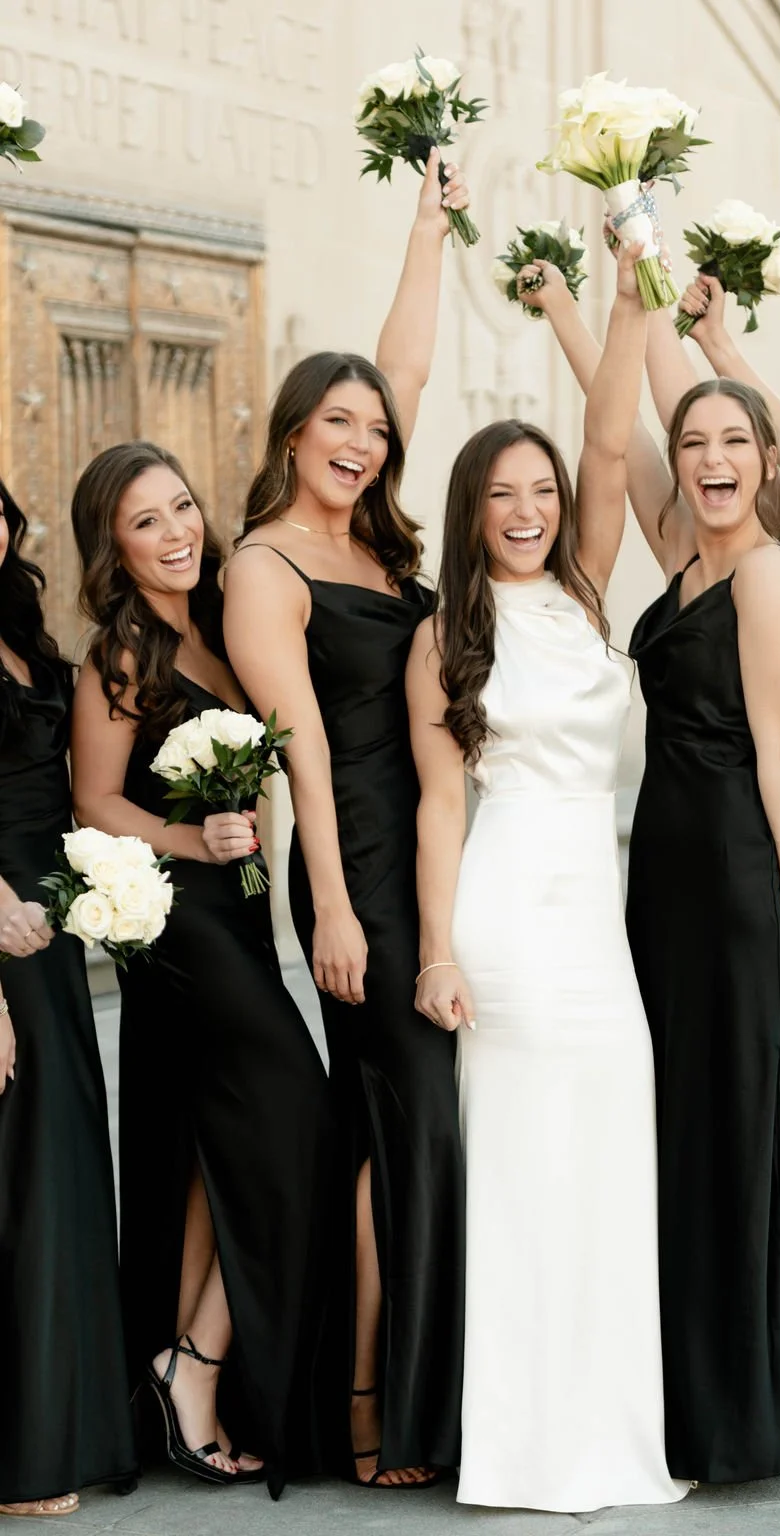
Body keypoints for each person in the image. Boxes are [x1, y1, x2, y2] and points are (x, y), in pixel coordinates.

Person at [523, 258, 780, 1483]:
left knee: (732, 1126)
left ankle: (746, 1411)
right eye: (694, 440)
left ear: (767, 462)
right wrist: (582, 298)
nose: (708, 456)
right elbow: (615, 431)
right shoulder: (682, 545)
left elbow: (774, 753)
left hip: (736, 874)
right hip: (661, 872)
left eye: (730, 441)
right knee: (682, 1125)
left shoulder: (763, 573)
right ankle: (686, 1395)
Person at [405, 241, 684, 1512]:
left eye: (540, 490)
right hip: (506, 916)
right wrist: (439, 951)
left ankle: (609, 1434)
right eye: (499, 494)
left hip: (597, 922)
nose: (525, 509)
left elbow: (614, 439)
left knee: (609, 1156)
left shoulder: (583, 588)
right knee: (519, 1175)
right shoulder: (442, 636)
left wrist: (622, 305)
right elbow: (443, 802)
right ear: (467, 508)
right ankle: (515, 1445)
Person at [223, 150, 471, 1488]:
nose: (366, 438)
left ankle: (418, 1388)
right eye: (340, 422)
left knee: (420, 1124)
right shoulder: (266, 564)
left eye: (373, 427)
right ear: (291, 432)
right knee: (406, 1120)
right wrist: (327, 904)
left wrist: (427, 225)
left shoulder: (381, 541)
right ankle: (377, 1402)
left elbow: (410, 369)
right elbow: (301, 746)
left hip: (437, 851)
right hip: (359, 864)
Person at [69, 443, 333, 1498]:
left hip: (242, 920)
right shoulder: (119, 656)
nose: (176, 531)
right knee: (304, 1123)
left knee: (210, 1148)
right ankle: (197, 1362)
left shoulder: (224, 621)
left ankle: (184, 1359)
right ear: (114, 545)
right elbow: (95, 800)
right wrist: (200, 841)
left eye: (182, 507)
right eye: (146, 521)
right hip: (178, 932)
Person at [0, 476, 136, 1519]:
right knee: (20, 1175)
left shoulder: (26, 638)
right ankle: (21, 1454)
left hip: (50, 921)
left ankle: (73, 1428)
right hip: (0, 929)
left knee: (65, 1164)